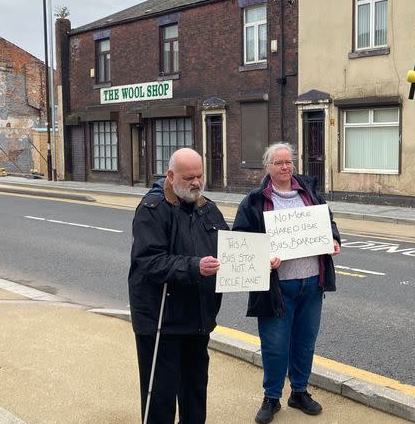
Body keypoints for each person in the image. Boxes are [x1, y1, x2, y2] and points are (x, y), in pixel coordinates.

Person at [232, 142, 341, 424]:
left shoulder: (310, 194)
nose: (285, 167)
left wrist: (334, 239)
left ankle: (299, 392)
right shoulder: (254, 201)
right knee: (275, 345)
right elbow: (241, 243)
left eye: (289, 162)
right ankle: (271, 397)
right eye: (279, 163)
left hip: (311, 284)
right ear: (268, 167)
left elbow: (328, 221)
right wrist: (262, 257)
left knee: (305, 343)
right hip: (276, 288)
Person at [129, 148, 228, 424]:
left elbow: (230, 250)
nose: (196, 183)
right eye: (189, 178)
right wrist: (194, 266)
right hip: (163, 321)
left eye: (200, 176)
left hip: (197, 319)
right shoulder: (153, 209)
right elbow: (149, 262)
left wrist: (258, 261)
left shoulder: (207, 208)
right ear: (170, 176)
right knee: (160, 397)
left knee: (195, 391)